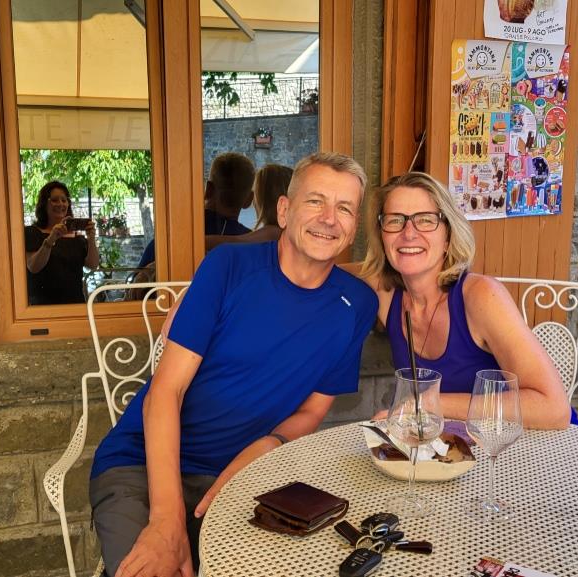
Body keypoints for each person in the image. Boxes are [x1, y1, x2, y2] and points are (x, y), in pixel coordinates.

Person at [90, 152, 378, 577]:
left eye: (345, 208)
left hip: (246, 475)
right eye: (316, 201)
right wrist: (167, 521)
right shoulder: (227, 268)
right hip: (142, 463)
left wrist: (269, 444)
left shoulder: (357, 304)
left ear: (354, 226)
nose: (329, 219)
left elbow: (313, 410)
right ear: (284, 210)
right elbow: (165, 392)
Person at [360, 171, 573, 428]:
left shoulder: (481, 295)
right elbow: (326, 272)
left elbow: (554, 409)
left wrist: (428, 404)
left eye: (426, 220)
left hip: (535, 441)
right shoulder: (385, 293)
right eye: (395, 220)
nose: (408, 233)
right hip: (457, 446)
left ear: (448, 237)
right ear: (382, 236)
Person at [136, 153, 256, 269]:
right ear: (249, 199)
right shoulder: (254, 245)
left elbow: (138, 281)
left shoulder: (171, 238)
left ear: (208, 189)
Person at [25, 181, 99, 305]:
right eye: (54, 200)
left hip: (75, 306)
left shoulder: (77, 238)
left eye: (64, 200)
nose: (60, 204)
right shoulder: (32, 233)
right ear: (44, 204)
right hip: (43, 307)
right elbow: (33, 267)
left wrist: (91, 238)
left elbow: (93, 265)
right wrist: (51, 239)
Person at [205, 163, 292, 250]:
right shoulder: (283, 232)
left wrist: (201, 241)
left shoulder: (274, 233)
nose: (254, 202)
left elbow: (236, 242)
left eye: (257, 195)